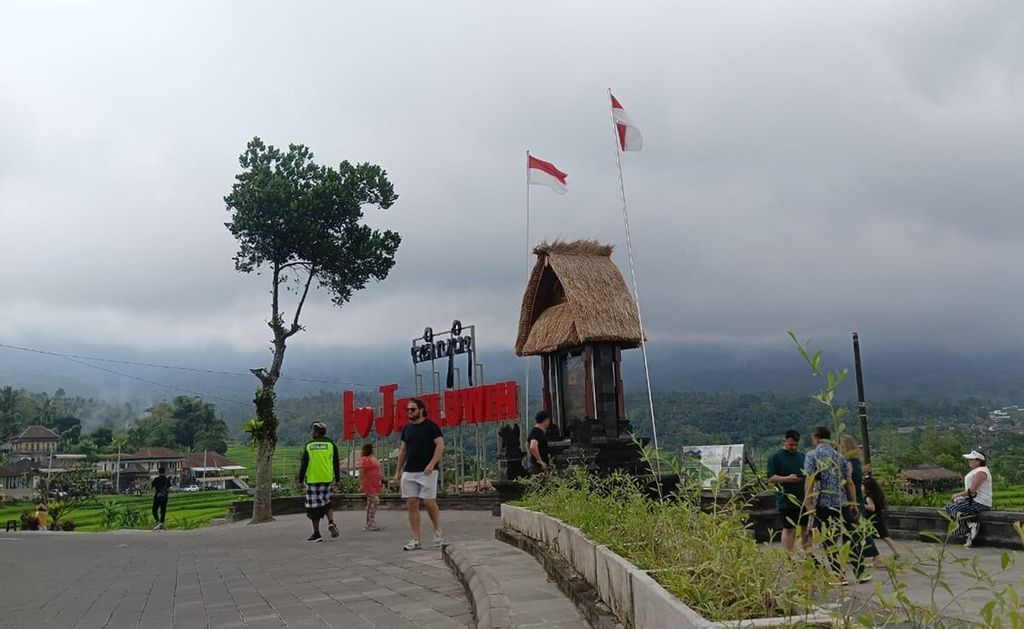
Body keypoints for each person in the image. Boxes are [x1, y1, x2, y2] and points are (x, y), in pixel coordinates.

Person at [803, 426, 862, 585]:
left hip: (823, 503)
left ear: (815, 437)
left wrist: (808, 503)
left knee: (829, 539)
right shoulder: (840, 456)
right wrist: (854, 503)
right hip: (842, 502)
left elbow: (810, 480)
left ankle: (838, 574)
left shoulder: (812, 455)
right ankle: (860, 571)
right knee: (849, 536)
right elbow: (849, 482)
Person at [394, 398, 445, 551]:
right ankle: (416, 538)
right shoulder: (407, 429)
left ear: (421, 410)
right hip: (410, 471)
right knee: (411, 503)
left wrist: (432, 464)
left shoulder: (431, 426)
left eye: (413, 409)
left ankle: (437, 530)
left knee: (429, 501)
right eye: (408, 410)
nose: (410, 412)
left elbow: (440, 445)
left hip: (427, 471)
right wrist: (398, 471)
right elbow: (403, 450)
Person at [838, 434, 879, 571]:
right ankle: (851, 555)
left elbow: (847, 480)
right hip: (858, 497)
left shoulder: (846, 461)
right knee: (854, 528)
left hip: (851, 498)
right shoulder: (856, 461)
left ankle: (875, 555)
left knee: (857, 527)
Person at [296, 421, 341, 543]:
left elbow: (304, 464)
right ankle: (331, 522)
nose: (311, 433)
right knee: (327, 502)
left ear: (316, 432)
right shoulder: (331, 444)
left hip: (313, 480)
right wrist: (337, 479)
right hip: (327, 479)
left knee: (313, 507)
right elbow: (336, 463)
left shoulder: (309, 445)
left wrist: (300, 481)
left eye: (312, 431)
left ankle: (317, 533)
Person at [766, 429, 809, 550]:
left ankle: (808, 555)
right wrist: (787, 478)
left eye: (796, 445)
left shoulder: (802, 457)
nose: (793, 447)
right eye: (791, 445)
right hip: (786, 499)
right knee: (789, 529)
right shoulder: (775, 457)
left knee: (806, 527)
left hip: (803, 499)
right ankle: (788, 557)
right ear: (785, 441)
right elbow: (771, 478)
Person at [944, 449, 992, 548]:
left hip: (980, 502)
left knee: (952, 507)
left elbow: (972, 490)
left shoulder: (981, 472)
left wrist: (958, 495)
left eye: (971, 459)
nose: (969, 461)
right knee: (953, 507)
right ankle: (970, 526)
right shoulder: (976, 471)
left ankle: (967, 529)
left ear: (978, 461)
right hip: (973, 500)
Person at [862, 467, 900, 561]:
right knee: (885, 537)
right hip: (878, 517)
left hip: (872, 520)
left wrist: (862, 505)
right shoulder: (877, 495)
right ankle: (896, 552)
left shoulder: (868, 497)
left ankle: (875, 555)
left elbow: (872, 508)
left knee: (867, 537)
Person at [358, 442, 382, 531]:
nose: (375, 449)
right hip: (369, 484)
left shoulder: (374, 459)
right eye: (373, 447)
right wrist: (361, 484)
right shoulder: (365, 459)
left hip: (375, 484)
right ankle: (371, 522)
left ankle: (369, 522)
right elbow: (361, 472)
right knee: (375, 501)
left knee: (371, 503)